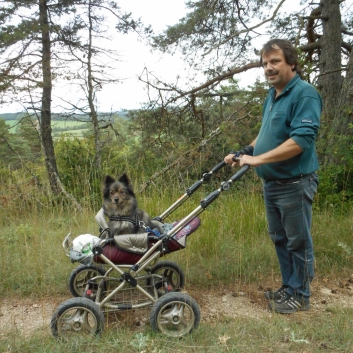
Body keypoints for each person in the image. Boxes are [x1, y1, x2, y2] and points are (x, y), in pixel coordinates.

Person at [224, 38, 322, 314]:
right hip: (273, 184)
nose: (269, 67)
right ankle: (289, 287)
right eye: (265, 63)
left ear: (292, 63)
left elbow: (301, 140)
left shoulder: (305, 94)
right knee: (280, 238)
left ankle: (301, 295)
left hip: (295, 182)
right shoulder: (273, 94)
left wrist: (258, 159)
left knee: (298, 240)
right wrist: (246, 150)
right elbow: (267, 133)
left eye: (275, 61)